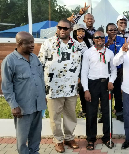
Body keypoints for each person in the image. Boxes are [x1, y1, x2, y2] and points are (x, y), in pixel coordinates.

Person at [38, 19, 83, 153]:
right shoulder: (48, 43)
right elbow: (40, 64)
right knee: (55, 116)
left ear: (70, 30)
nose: (62, 30)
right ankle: (58, 140)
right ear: (57, 28)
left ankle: (69, 138)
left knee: (70, 115)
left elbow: (84, 63)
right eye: (60, 28)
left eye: (65, 28)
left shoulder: (77, 45)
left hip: (71, 87)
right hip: (53, 87)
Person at [1, 32, 47, 154]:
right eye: (29, 43)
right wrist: (13, 105)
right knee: (22, 137)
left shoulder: (34, 58)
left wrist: (43, 96)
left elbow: (40, 78)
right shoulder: (9, 61)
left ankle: (34, 151)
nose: (33, 45)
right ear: (20, 43)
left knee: (36, 133)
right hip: (22, 106)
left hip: (38, 103)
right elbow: (7, 86)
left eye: (33, 42)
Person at [81, 31, 117, 150]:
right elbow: (84, 72)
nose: (100, 39)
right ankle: (91, 139)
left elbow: (113, 70)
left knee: (107, 112)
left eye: (102, 37)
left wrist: (111, 81)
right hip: (92, 84)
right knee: (91, 113)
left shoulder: (110, 53)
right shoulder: (88, 53)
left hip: (106, 84)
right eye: (97, 38)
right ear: (93, 39)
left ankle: (107, 137)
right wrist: (86, 89)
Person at [105, 23, 125, 122]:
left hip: (119, 70)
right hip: (105, 71)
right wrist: (106, 45)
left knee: (117, 93)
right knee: (105, 94)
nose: (113, 32)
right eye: (110, 30)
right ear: (106, 31)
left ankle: (119, 112)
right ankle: (105, 114)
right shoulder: (103, 40)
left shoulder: (122, 40)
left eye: (114, 30)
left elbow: (126, 53)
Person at [73, 24, 93, 118]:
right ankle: (84, 109)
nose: (81, 33)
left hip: (88, 68)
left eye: (83, 31)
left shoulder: (88, 42)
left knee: (89, 88)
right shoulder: (72, 42)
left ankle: (91, 109)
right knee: (81, 88)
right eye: (79, 31)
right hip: (76, 68)